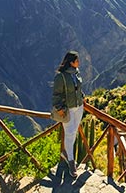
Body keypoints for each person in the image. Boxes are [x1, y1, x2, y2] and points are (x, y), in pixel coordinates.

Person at [52, 50, 84, 178]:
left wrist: (82, 97)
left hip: (79, 107)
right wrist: (59, 108)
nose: (79, 62)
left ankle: (66, 154)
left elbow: (78, 88)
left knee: (73, 132)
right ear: (71, 62)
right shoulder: (61, 77)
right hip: (68, 109)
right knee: (69, 133)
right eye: (77, 60)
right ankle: (71, 162)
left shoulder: (77, 73)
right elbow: (56, 94)